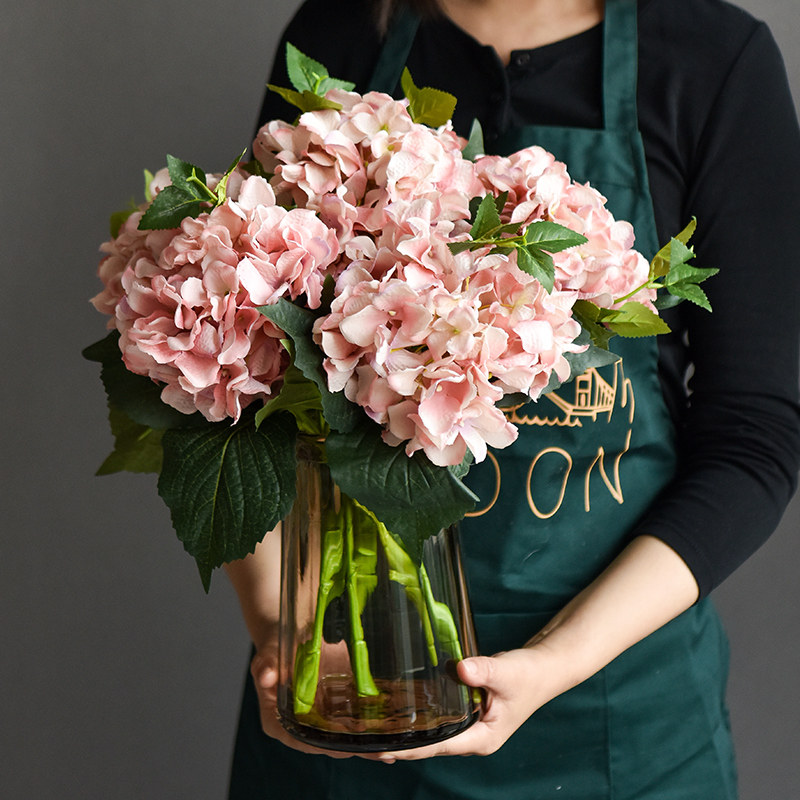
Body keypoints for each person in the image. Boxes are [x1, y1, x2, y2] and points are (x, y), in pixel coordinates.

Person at [225, 0, 800, 797]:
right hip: (354, 689)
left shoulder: (710, 58)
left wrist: (557, 661)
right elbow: (245, 385)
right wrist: (281, 633)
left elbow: (755, 436)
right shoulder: (342, 33)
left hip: (616, 721)